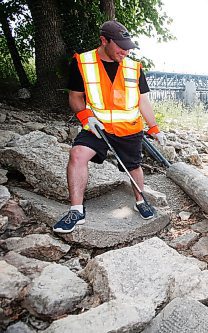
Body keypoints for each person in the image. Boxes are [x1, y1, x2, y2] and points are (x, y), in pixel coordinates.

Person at [53, 20, 166, 234]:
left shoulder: (134, 67)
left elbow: (143, 101)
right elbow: (75, 97)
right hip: (97, 126)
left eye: (128, 47)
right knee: (77, 155)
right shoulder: (82, 62)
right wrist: (86, 117)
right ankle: (76, 211)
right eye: (121, 46)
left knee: (134, 167)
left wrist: (154, 128)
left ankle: (140, 201)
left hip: (129, 128)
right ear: (104, 40)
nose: (125, 51)